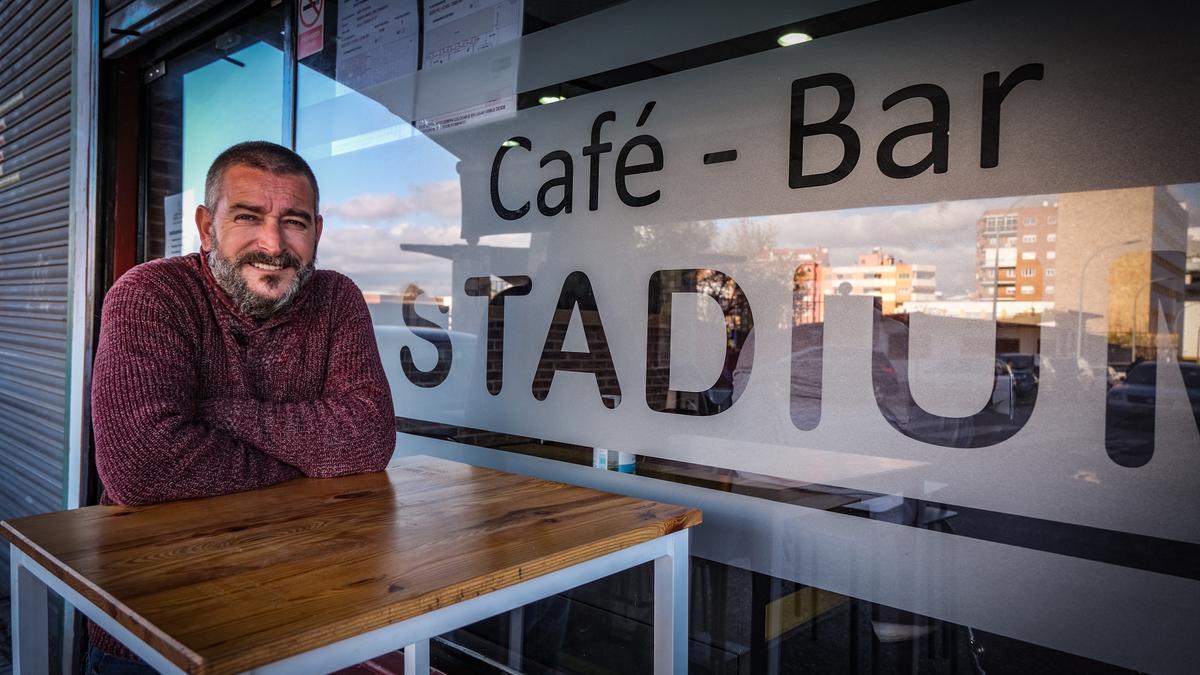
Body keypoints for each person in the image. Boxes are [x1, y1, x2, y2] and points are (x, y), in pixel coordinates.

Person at [86, 141, 396, 671]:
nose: (273, 244)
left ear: (317, 232)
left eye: (293, 222)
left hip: (305, 608)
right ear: (207, 227)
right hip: (157, 618)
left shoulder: (337, 297)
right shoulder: (150, 293)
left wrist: (216, 412)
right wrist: (309, 463)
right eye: (248, 217)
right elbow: (142, 465)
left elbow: (368, 438)